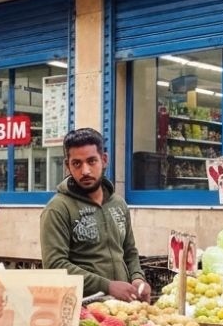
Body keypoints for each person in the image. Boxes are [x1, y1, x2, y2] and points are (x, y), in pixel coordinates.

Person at [40, 128, 150, 302]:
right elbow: (55, 266)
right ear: (67, 165)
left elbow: (129, 251)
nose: (85, 171)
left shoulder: (118, 204)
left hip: (123, 307)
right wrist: (107, 286)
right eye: (77, 163)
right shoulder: (58, 208)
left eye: (92, 161)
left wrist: (137, 278)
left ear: (104, 160)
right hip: (82, 311)